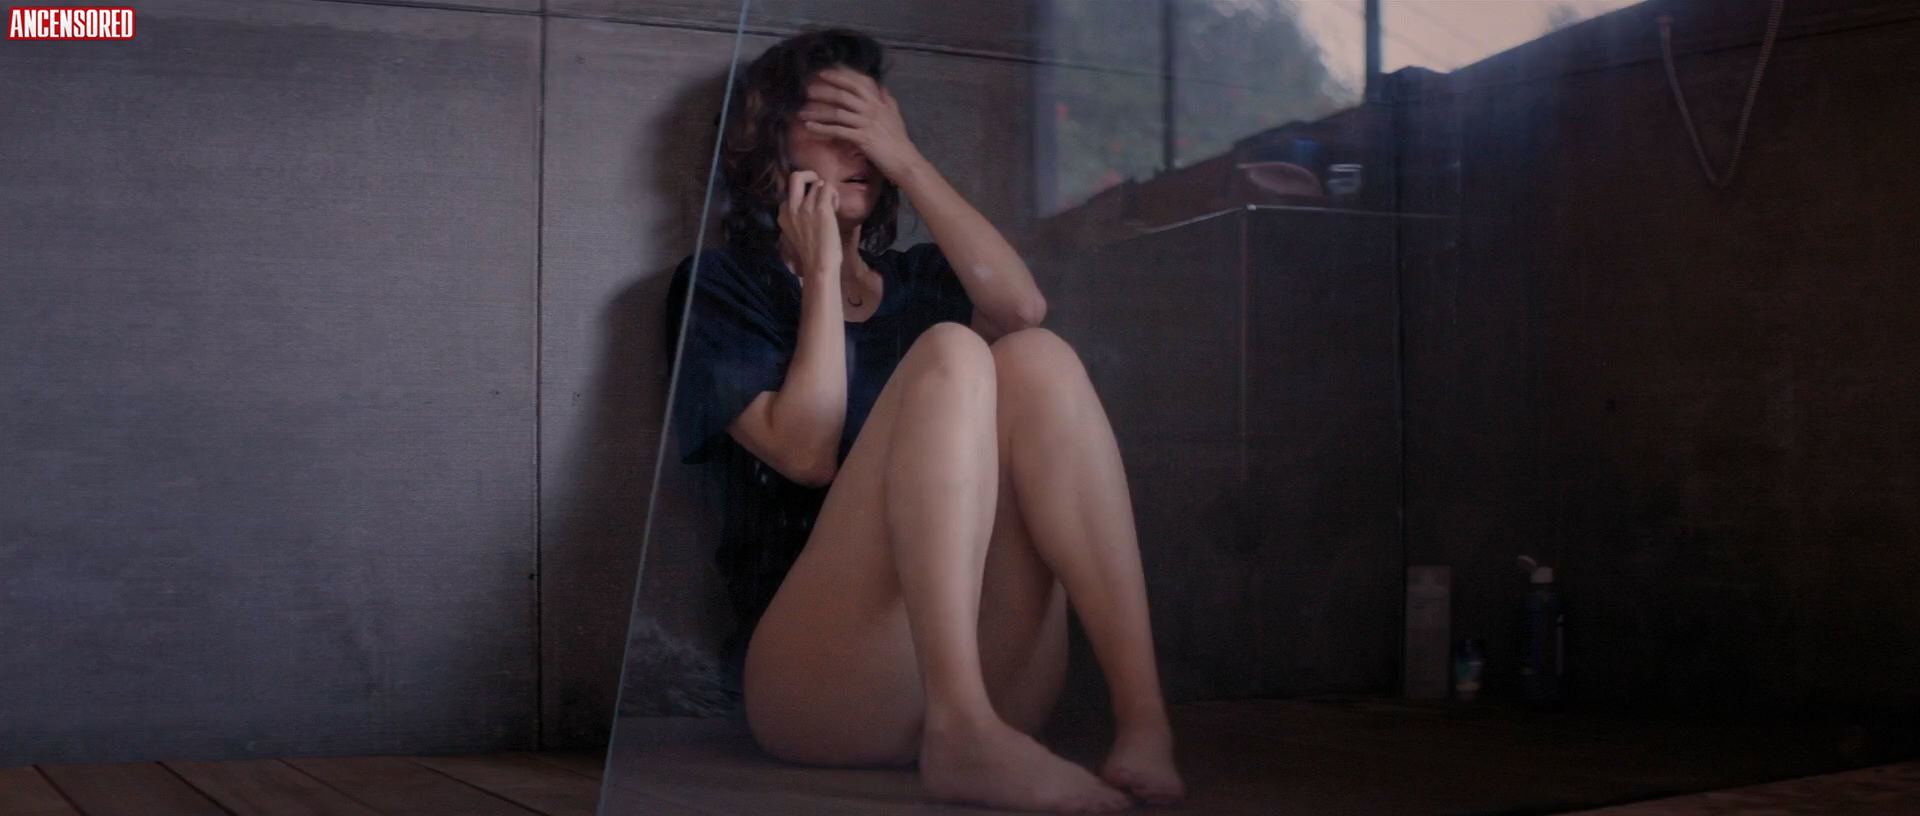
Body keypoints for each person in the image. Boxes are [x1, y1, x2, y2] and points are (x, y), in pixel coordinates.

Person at [665, 28, 1184, 814]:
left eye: (875, 122)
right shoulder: (718, 286)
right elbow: (805, 451)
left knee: (1036, 356)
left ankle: (1142, 720)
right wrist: (821, 276)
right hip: (817, 687)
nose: (861, 147)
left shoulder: (919, 278)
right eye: (836, 122)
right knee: (952, 352)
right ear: (766, 143)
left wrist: (905, 157)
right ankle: (961, 727)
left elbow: (1023, 307)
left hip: (993, 665)